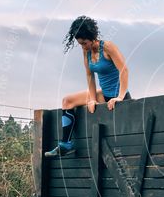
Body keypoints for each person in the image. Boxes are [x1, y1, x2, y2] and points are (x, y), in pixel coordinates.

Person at [45, 16, 131, 157]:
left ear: (92, 37)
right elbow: (90, 76)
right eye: (80, 44)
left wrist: (120, 97)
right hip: (103, 94)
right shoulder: (86, 51)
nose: (83, 47)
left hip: (119, 95)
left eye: (85, 43)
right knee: (67, 101)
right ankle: (66, 144)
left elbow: (124, 70)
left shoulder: (108, 47)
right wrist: (92, 99)